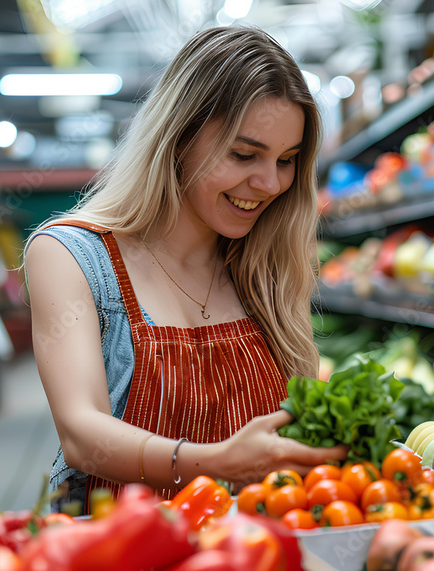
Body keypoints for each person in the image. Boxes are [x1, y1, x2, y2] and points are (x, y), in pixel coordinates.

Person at [24, 25, 347, 512]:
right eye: (244, 154)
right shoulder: (72, 256)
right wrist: (215, 462)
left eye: (287, 160)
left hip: (256, 552)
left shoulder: (266, 266)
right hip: (123, 551)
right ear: (179, 136)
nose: (268, 183)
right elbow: (82, 435)